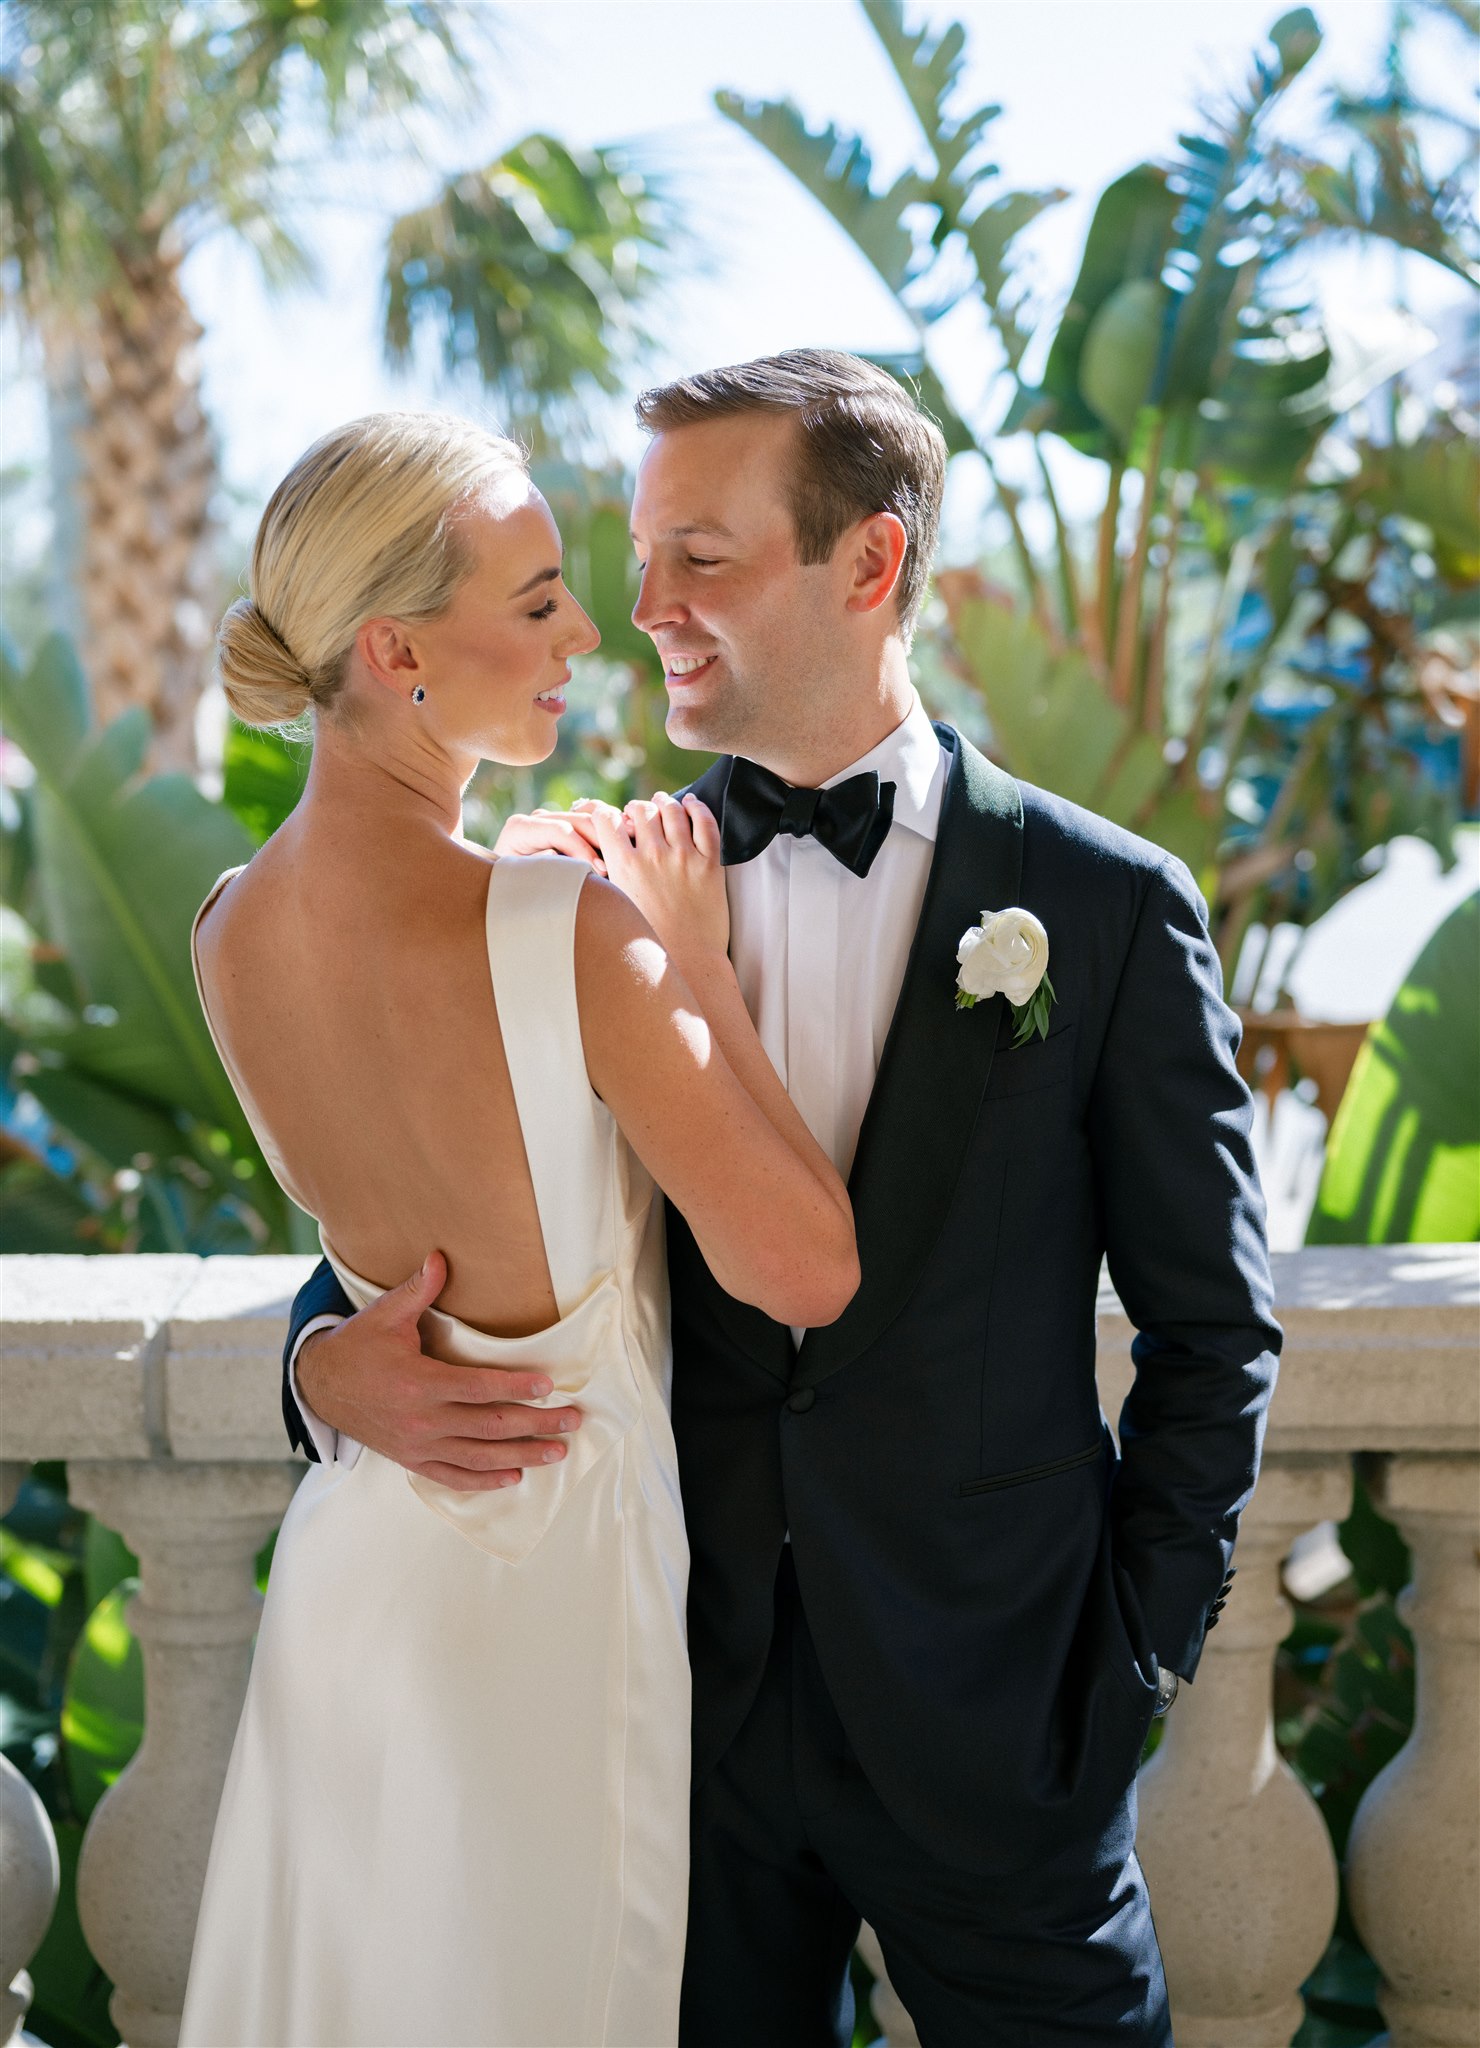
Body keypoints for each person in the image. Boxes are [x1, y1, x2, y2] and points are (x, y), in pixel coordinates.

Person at [283, 354, 1282, 2047]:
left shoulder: (1105, 908)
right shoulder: (566, 890)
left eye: (704, 559)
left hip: (1003, 1729)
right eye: (643, 550)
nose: (643, 604)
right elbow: (401, 1199)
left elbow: (1214, 1328)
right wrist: (316, 1365)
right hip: (671, 1722)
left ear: (871, 566)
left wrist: (1129, 1674)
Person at [178, 410, 859, 2048]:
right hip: (555, 1600)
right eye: (540, 598)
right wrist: (685, 955)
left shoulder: (225, 929)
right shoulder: (572, 927)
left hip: (358, 1578)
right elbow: (803, 1269)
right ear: (398, 649)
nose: (584, 634)